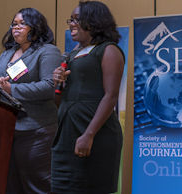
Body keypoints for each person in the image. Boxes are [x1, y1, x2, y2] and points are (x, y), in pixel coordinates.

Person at [0, 8, 62, 194]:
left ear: (36, 27)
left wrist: (11, 89)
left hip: (37, 130)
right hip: (8, 129)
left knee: (37, 185)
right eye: (14, 24)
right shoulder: (7, 54)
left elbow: (49, 86)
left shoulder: (47, 51)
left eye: (22, 23)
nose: (16, 28)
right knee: (11, 186)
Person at [51, 1, 125, 193]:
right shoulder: (71, 55)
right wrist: (57, 83)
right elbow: (58, 101)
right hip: (67, 136)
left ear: (93, 22)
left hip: (95, 135)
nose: (71, 24)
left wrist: (89, 135)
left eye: (77, 19)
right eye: (71, 20)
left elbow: (111, 96)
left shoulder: (108, 50)